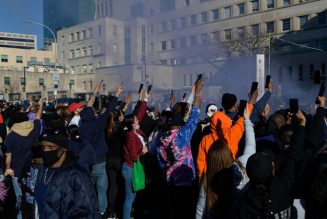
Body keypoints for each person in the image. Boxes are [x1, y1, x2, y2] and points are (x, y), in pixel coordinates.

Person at [237, 110, 306, 219]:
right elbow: (294, 157)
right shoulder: (284, 185)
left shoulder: (245, 202)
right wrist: (302, 124)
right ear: (273, 170)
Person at [153, 78, 204, 219]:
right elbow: (195, 115)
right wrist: (198, 93)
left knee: (174, 212)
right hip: (187, 182)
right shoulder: (181, 136)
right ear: (179, 125)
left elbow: (161, 164)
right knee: (187, 212)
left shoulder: (160, 141)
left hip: (171, 182)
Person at [196, 104, 256, 219]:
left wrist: (201, 179)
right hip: (231, 172)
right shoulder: (232, 134)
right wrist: (249, 107)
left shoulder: (205, 139)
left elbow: (200, 162)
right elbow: (249, 141)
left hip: (210, 177)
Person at [26, 128, 98, 218]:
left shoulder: (77, 175)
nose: (45, 151)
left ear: (63, 149)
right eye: (43, 147)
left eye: (51, 147)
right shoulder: (43, 170)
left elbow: (86, 212)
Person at [80, 83, 122, 217]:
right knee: (102, 189)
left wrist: (94, 95)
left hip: (88, 161)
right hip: (100, 161)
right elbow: (109, 110)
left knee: (91, 188)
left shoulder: (81, 126)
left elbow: (87, 111)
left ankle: (91, 209)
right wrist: (116, 95)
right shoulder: (98, 123)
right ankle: (102, 211)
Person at [3, 98, 43, 219]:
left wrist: (7, 168)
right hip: (30, 170)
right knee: (31, 197)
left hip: (16, 171)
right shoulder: (32, 131)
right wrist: (41, 105)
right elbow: (38, 118)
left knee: (20, 199)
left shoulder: (11, 136)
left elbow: (8, 155)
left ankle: (21, 216)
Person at [122, 89, 150, 219]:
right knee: (129, 196)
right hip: (130, 168)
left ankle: (131, 215)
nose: (138, 120)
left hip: (133, 167)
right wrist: (143, 151)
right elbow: (134, 156)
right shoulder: (131, 137)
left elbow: (140, 113)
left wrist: (145, 99)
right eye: (135, 120)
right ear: (132, 125)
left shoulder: (133, 133)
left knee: (133, 195)